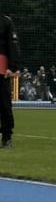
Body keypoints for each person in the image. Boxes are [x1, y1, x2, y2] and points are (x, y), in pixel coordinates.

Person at [1, 13, 19, 148]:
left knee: (4, 105)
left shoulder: (6, 21)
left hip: (2, 69)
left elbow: (12, 45)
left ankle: (7, 137)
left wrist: (12, 67)